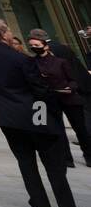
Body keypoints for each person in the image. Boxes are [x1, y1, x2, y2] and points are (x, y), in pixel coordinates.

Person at [0, 20, 89, 207]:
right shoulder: (21, 59)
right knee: (54, 164)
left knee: (25, 162)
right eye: (8, 30)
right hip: (36, 114)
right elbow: (40, 89)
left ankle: (40, 206)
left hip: (6, 116)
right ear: (4, 35)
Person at [28, 29, 91, 168]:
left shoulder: (59, 59)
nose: (33, 48)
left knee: (80, 128)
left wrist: (71, 88)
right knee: (61, 129)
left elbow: (72, 77)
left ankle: (86, 155)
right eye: (32, 45)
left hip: (68, 96)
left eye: (36, 45)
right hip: (52, 97)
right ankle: (69, 158)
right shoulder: (33, 62)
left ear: (45, 44)